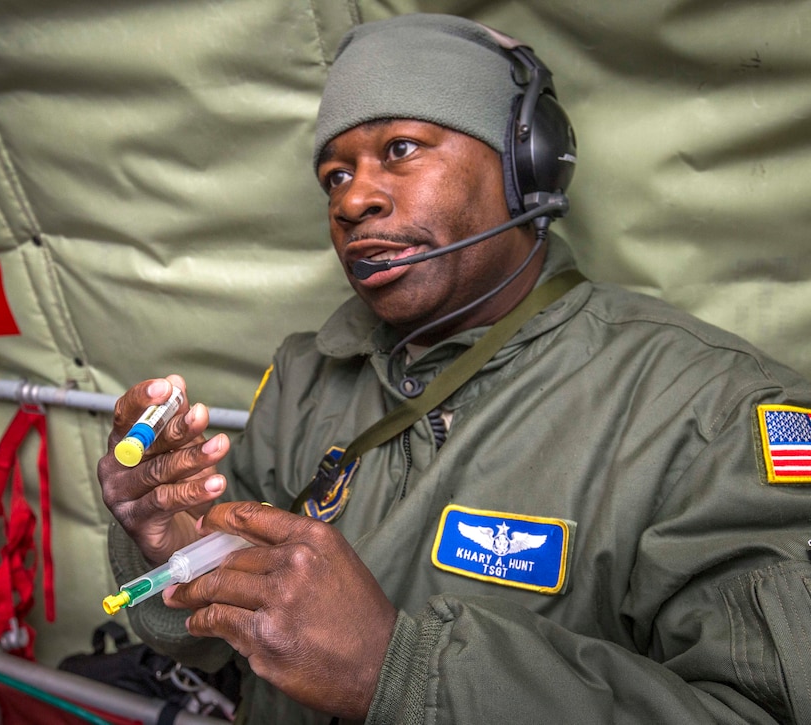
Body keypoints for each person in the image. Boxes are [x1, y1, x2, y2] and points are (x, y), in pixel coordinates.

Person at [97, 13, 811, 724]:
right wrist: (176, 552)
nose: (352, 199)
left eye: (400, 149)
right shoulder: (306, 375)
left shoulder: (709, 410)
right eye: (334, 175)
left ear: (525, 162)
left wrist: (397, 669)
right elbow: (215, 646)